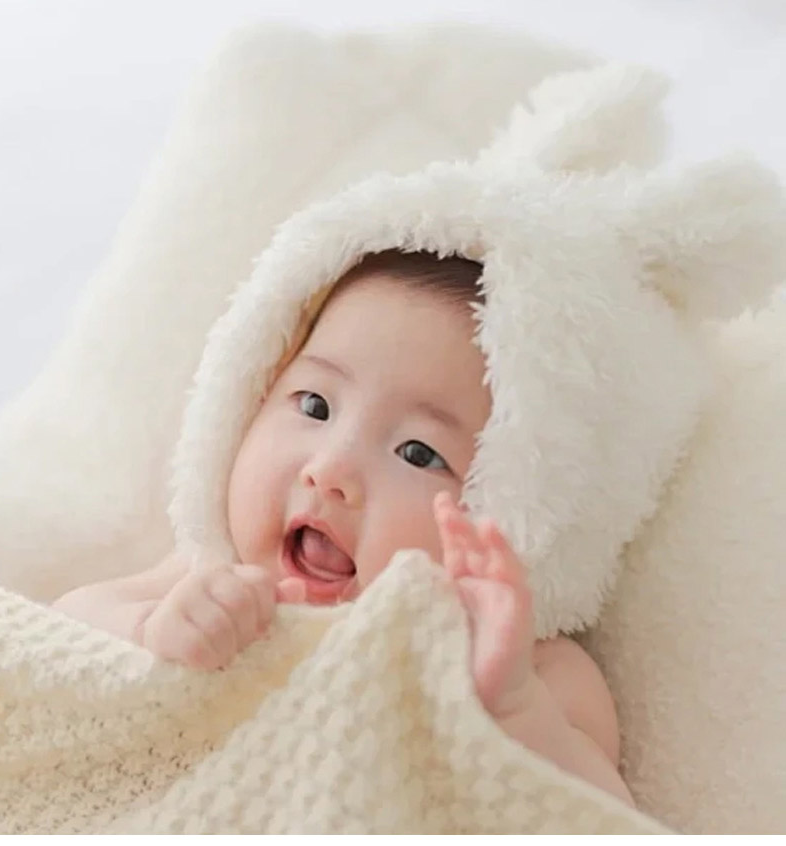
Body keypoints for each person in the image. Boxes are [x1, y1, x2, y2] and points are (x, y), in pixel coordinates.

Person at [52, 249, 633, 806]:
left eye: (418, 453)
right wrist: (149, 632)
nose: (331, 471)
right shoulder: (210, 577)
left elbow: (607, 819)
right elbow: (56, 637)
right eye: (315, 406)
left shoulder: (533, 667)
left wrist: (513, 712)